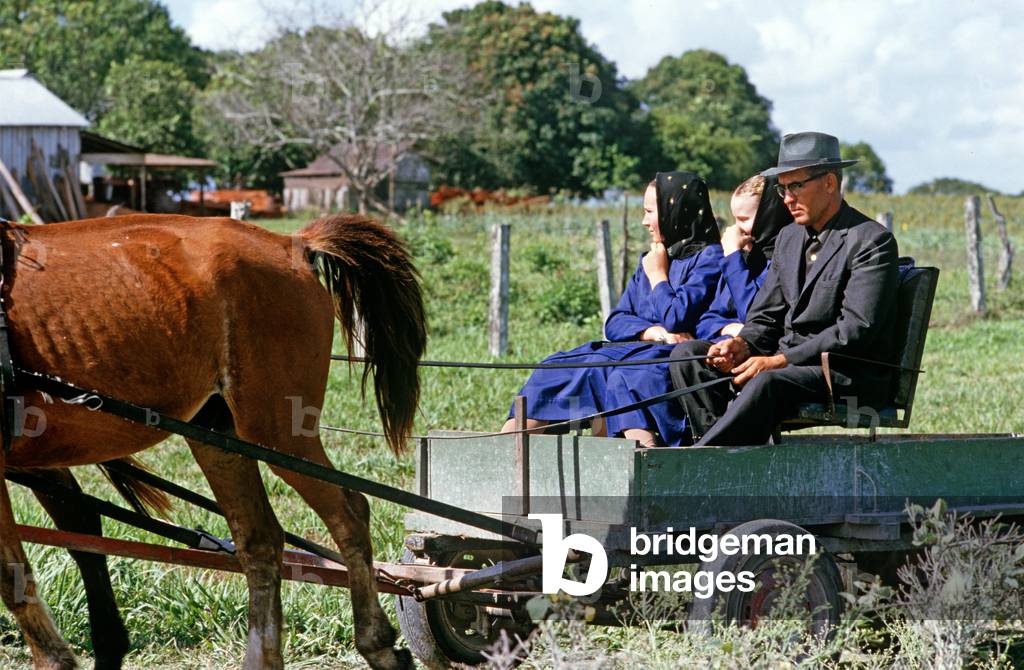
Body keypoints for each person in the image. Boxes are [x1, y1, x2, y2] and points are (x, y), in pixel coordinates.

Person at [669, 131, 900, 446]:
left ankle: (706, 458)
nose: (787, 198)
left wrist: (780, 360)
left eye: (796, 186)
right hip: (784, 364)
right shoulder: (789, 238)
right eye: (782, 188)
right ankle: (726, 455)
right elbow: (766, 315)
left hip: (840, 372)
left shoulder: (871, 241)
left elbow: (854, 331)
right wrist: (743, 345)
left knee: (767, 380)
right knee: (689, 356)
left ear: (830, 183)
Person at [501, 171, 722, 437]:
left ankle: (635, 462)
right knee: (556, 368)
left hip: (671, 356)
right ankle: (504, 455)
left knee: (623, 376)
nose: (644, 221)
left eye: (650, 211)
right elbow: (615, 322)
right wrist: (652, 332)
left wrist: (657, 276)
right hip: (638, 347)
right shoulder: (653, 257)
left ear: (676, 211)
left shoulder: (710, 258)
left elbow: (677, 317)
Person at [603, 173, 792, 447]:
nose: (736, 230)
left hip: (760, 353)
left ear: (770, 215)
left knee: (667, 361)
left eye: (745, 220)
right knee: (585, 365)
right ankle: (699, 442)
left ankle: (706, 444)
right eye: (735, 220)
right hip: (724, 348)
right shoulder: (745, 254)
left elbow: (758, 314)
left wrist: (733, 260)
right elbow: (705, 320)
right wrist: (728, 328)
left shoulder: (773, 259)